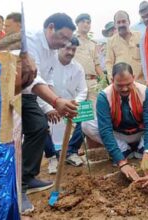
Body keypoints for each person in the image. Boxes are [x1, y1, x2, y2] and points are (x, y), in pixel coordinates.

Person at [22, 13, 78, 214]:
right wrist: (55, 101)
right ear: (50, 27)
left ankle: (28, 176)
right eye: (62, 37)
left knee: (39, 128)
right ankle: (17, 188)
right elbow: (32, 80)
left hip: (28, 96)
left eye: (67, 40)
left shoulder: (53, 52)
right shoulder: (29, 40)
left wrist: (54, 106)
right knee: (15, 138)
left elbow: (48, 81)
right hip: (10, 94)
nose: (64, 43)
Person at [82, 62, 148, 181]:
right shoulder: (104, 96)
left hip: (140, 132)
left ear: (133, 78)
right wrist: (121, 162)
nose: (124, 89)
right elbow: (105, 130)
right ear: (112, 80)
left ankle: (142, 148)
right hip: (118, 134)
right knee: (86, 124)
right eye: (119, 85)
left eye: (128, 84)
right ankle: (123, 150)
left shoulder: (145, 92)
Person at [43, 37, 88, 174]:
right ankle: (52, 157)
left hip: (69, 104)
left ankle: (70, 152)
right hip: (49, 103)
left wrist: (74, 104)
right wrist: (49, 108)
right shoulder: (48, 64)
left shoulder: (78, 67)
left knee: (87, 116)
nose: (70, 52)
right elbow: (41, 87)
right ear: (59, 47)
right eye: (67, 48)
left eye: (73, 49)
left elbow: (83, 90)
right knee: (39, 122)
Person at [106, 11, 144, 84]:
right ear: (115, 25)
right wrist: (112, 80)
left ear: (129, 22)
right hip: (122, 84)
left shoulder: (140, 36)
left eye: (124, 21)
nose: (121, 24)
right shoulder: (111, 41)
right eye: (118, 22)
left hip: (141, 82)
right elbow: (109, 63)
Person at [74, 13, 104, 104]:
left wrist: (104, 82)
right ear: (77, 24)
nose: (86, 24)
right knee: (77, 113)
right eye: (83, 22)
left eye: (88, 22)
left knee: (95, 112)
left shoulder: (93, 43)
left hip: (92, 82)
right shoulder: (71, 40)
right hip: (76, 82)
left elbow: (97, 64)